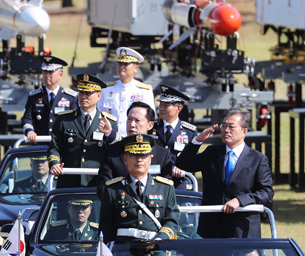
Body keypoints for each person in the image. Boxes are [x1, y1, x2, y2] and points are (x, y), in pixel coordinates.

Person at [99, 134, 180, 256]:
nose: (139, 160)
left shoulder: (165, 188)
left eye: (143, 156)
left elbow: (172, 220)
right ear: (125, 159)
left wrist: (160, 240)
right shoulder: (112, 189)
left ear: (150, 159)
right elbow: (106, 229)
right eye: (134, 156)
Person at [175, 108, 274, 238]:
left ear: (244, 131)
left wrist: (240, 200)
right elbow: (183, 163)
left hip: (242, 228)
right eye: (224, 126)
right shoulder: (212, 153)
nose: (226, 130)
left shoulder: (258, 159)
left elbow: (267, 192)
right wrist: (197, 141)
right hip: (212, 228)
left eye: (231, 127)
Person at [48, 74, 118, 188]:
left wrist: (110, 134)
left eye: (88, 93)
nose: (83, 97)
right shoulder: (64, 120)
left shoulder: (109, 122)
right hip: (68, 182)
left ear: (99, 96)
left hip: (96, 184)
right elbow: (54, 147)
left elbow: (114, 153)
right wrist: (54, 164)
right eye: (81, 92)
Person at [97, 102, 173, 199]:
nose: (132, 124)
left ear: (150, 125)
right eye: (129, 119)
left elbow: (167, 191)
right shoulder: (112, 152)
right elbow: (103, 188)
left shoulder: (162, 154)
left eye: (137, 120)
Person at [98, 47, 156, 134]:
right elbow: (99, 115)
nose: (122, 67)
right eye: (120, 64)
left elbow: (149, 118)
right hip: (110, 138)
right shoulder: (107, 89)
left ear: (135, 68)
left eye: (126, 64)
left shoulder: (144, 90)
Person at [22, 56, 78, 143]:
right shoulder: (34, 97)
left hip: (62, 148)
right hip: (40, 147)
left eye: (51, 72)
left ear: (60, 75)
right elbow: (27, 119)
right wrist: (30, 131)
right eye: (45, 71)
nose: (47, 75)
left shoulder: (71, 97)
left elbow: (75, 122)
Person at [151, 85, 198, 188]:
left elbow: (194, 160)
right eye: (160, 104)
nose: (161, 108)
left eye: (166, 105)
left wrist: (184, 169)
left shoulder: (189, 132)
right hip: (153, 181)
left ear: (179, 108)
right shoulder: (150, 127)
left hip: (178, 182)